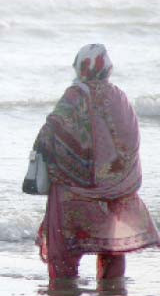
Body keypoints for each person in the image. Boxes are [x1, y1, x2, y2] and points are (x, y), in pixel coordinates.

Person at [33, 44, 159, 282]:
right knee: (110, 248)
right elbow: (131, 142)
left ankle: (64, 295)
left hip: (76, 189)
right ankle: (110, 291)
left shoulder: (75, 96)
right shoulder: (120, 97)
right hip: (115, 189)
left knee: (67, 251)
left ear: (80, 67)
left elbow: (51, 133)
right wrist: (114, 177)